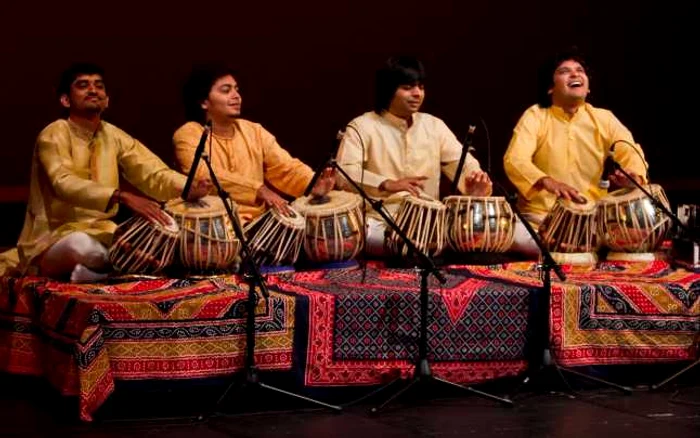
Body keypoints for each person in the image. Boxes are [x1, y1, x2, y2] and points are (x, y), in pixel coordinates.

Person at [1, 63, 210, 282]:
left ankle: (97, 274)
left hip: (105, 233)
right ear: (65, 100)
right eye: (83, 86)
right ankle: (108, 271)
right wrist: (120, 196)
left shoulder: (113, 135)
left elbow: (153, 172)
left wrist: (188, 186)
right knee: (82, 247)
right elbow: (63, 182)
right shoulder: (53, 134)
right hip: (52, 238)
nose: (93, 90)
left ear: (107, 100)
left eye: (99, 86)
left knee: (157, 244)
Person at [335, 56, 492, 256]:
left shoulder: (433, 125)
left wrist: (474, 181)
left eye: (421, 87)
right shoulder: (362, 126)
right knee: (369, 237)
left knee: (478, 236)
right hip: (379, 222)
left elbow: (461, 162)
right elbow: (344, 173)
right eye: (408, 87)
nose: (417, 93)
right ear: (388, 90)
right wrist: (386, 183)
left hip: (429, 223)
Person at [503, 47, 649, 258]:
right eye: (564, 71)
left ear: (588, 88)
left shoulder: (603, 118)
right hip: (540, 222)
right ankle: (567, 247)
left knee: (636, 234)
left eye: (580, 70)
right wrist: (546, 181)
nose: (575, 74)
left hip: (590, 223)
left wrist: (634, 176)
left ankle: (577, 246)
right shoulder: (535, 116)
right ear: (550, 88)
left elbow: (630, 150)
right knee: (512, 235)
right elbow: (514, 160)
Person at [172, 63, 334, 227]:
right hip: (214, 228)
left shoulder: (253, 131)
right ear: (204, 102)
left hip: (258, 225)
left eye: (237, 89)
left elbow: (285, 167)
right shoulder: (188, 134)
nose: (236, 96)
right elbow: (202, 173)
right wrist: (258, 190)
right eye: (226, 90)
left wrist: (312, 183)